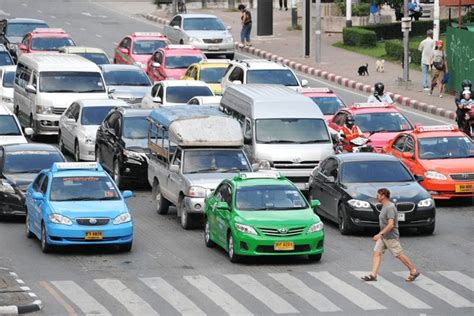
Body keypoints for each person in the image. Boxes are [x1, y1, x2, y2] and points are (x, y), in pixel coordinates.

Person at [361, 188, 420, 282]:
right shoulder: (384, 206)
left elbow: (391, 224)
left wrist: (380, 234)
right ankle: (373, 275)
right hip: (384, 236)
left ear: (383, 195)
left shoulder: (390, 207)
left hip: (390, 236)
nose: (376, 197)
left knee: (398, 254)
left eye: (378, 195)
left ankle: (413, 270)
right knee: (377, 253)